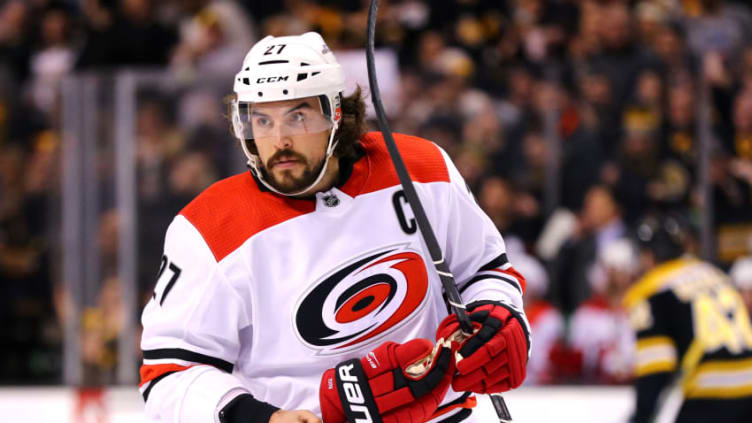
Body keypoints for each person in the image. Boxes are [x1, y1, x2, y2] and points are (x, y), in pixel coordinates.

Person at [138, 32, 530, 423]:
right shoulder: (207, 227)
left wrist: (496, 313)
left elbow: (483, 270)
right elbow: (169, 372)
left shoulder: (420, 168)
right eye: (262, 119)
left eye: (298, 115)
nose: (280, 139)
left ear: (335, 114)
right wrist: (261, 419)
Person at [624, 214, 752, 423]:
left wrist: (641, 416)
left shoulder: (652, 290)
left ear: (647, 256)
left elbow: (656, 367)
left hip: (713, 388)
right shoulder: (714, 273)